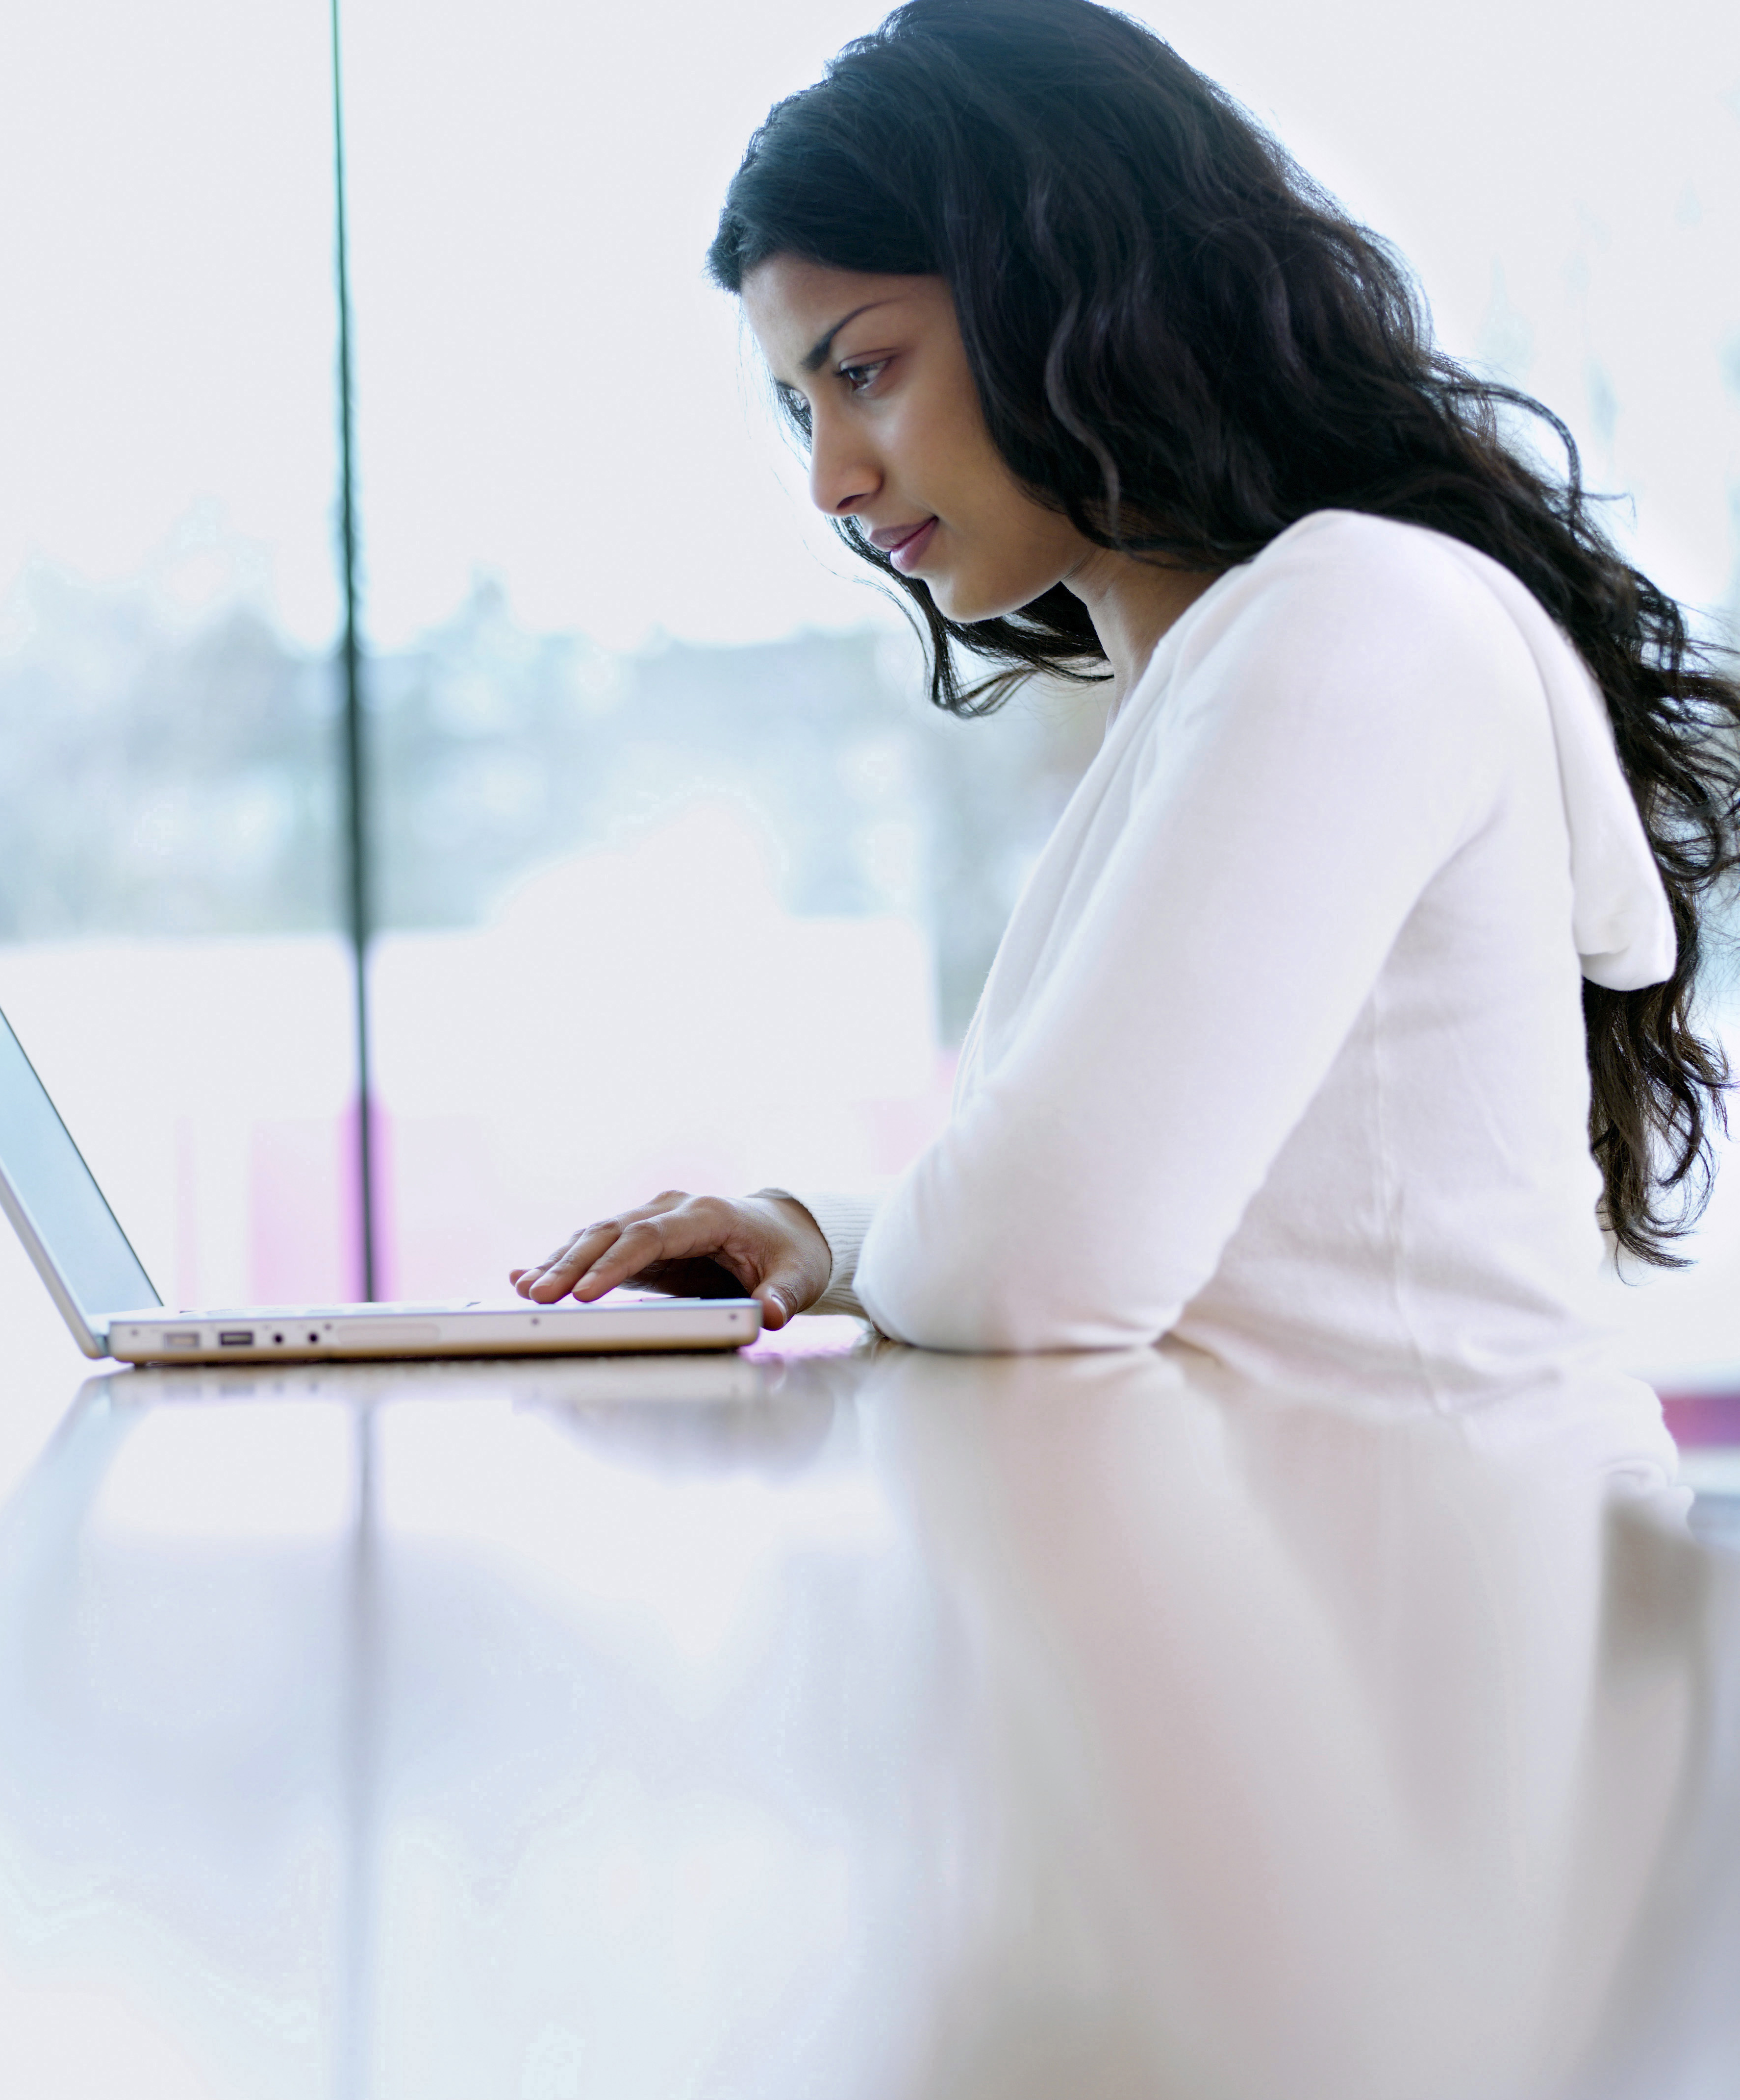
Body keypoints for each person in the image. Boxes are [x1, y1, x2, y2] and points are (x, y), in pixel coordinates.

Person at [511, 0, 1740, 1392]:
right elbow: (1191, 1252)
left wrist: (894, 1239)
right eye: (804, 408)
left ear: (1062, 286)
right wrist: (813, 1238)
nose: (830, 481)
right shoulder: (1221, 672)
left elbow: (1033, 1266)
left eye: (864, 370)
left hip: (1420, 1587)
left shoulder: (1347, 618)